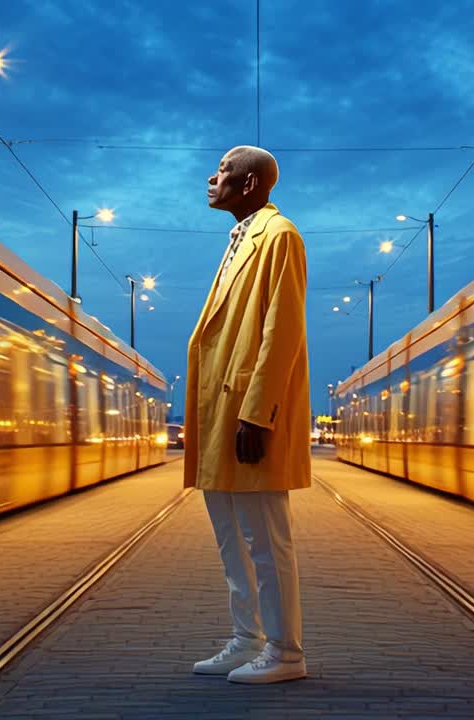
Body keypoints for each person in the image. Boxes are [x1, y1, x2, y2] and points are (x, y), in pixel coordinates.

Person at [184, 146, 311, 684]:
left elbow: (282, 330)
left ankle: (285, 651)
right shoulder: (240, 238)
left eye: (224, 171)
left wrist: (258, 415)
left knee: (264, 538)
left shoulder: (279, 236)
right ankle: (246, 639)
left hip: (246, 414)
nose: (213, 178)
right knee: (231, 536)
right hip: (221, 411)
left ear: (251, 183)